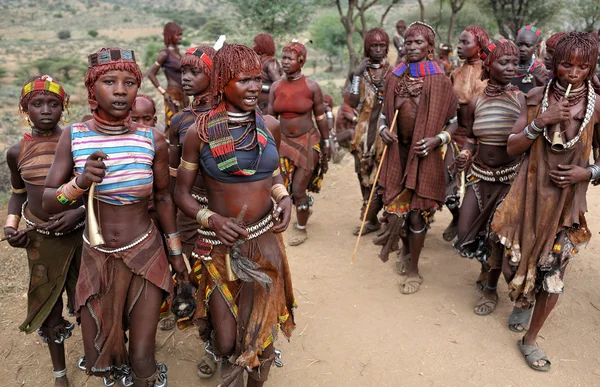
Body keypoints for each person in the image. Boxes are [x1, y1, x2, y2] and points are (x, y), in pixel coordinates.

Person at [43, 47, 188, 386]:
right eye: (109, 81)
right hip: (96, 258)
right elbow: (48, 202)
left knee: (141, 357)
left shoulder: (152, 139)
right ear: (92, 89)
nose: (121, 90)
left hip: (145, 252)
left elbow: (164, 198)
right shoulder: (74, 136)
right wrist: (79, 184)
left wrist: (177, 253)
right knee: (99, 356)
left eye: (130, 82)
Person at [174, 43, 296, 387]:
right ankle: (220, 352)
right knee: (227, 340)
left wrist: (283, 196)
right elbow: (181, 193)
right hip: (218, 245)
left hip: (263, 238)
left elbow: (271, 174)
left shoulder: (269, 125)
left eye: (258, 79)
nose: (255, 87)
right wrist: (210, 219)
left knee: (259, 336)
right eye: (245, 80)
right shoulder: (199, 133)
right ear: (223, 82)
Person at [491, 31, 600, 371]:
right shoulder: (537, 96)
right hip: (529, 196)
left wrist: (588, 173)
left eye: (582, 67)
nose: (573, 73)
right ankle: (523, 298)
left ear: (591, 67)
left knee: (553, 275)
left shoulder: (598, 105)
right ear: (554, 64)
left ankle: (530, 340)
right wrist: (542, 121)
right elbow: (511, 147)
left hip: (567, 205)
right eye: (566, 64)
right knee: (511, 261)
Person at [4, 75, 84, 387]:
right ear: (25, 109)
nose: (46, 109)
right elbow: (17, 194)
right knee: (49, 308)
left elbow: (94, 191)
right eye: (38, 103)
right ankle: (60, 374)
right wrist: (12, 229)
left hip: (79, 235)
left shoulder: (77, 144)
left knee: (88, 299)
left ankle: (99, 356)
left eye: (54, 103)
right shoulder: (16, 152)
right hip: (40, 239)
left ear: (64, 108)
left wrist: (77, 215)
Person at [377, 22, 458, 294]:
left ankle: (414, 269)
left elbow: (454, 122)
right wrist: (382, 131)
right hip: (397, 153)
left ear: (430, 48)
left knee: (415, 216)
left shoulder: (440, 81)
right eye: (408, 42)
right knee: (397, 210)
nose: (411, 47)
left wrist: (438, 140)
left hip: (424, 155)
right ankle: (404, 252)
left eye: (418, 43)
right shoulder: (393, 77)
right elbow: (384, 116)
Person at [453, 39, 524, 316]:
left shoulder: (520, 99)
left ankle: (490, 289)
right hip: (480, 175)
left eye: (514, 63)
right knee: (465, 232)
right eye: (503, 62)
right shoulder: (475, 101)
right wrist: (465, 154)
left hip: (510, 178)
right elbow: (470, 138)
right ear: (488, 65)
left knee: (496, 237)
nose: (510, 68)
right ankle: (486, 268)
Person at [269, 41, 330, 246]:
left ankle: (302, 228)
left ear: (301, 61)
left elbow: (320, 117)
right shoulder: (276, 87)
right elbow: (270, 118)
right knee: (280, 188)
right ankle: (299, 210)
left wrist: (327, 142)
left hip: (307, 140)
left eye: (290, 58)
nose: (285, 62)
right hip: (283, 143)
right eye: (283, 58)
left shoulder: (312, 87)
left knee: (298, 189)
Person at [441, 26, 490, 242]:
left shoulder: (489, 73)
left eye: (465, 43)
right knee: (447, 184)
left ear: (480, 46)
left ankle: (470, 229)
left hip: (482, 137)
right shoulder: (455, 73)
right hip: (458, 134)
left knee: (474, 186)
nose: (459, 47)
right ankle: (457, 216)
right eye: (459, 42)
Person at [348, 27, 391, 237]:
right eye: (374, 45)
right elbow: (352, 101)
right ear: (367, 47)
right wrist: (356, 75)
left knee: (381, 175)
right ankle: (371, 218)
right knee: (361, 172)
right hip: (363, 131)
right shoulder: (360, 72)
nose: (378, 49)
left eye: (382, 45)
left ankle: (378, 213)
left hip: (384, 131)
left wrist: (388, 88)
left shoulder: (393, 71)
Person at [147, 22, 189, 133]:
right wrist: (163, 92)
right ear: (170, 36)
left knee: (187, 125)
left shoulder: (178, 53)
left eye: (181, 35)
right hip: (172, 95)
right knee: (173, 127)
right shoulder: (164, 54)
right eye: (177, 35)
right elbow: (151, 74)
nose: (180, 37)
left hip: (184, 95)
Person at [514, 25, 548, 93]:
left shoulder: (540, 70)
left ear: (536, 47)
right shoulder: (507, 67)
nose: (522, 49)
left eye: (528, 45)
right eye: (519, 44)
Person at [253, 33, 282, 112]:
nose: (253, 46)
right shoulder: (259, 61)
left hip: (267, 105)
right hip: (259, 104)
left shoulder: (270, 63)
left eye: (255, 44)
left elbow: (279, 84)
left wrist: (261, 87)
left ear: (262, 45)